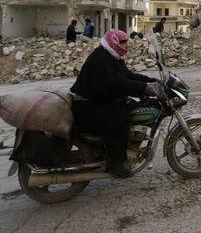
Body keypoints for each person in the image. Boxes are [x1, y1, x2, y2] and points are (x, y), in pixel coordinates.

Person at [70, 29, 167, 178]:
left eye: (127, 42)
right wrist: (146, 89)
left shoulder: (113, 57)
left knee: (130, 107)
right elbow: (119, 83)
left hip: (98, 101)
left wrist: (153, 82)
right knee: (120, 119)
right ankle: (115, 163)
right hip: (87, 107)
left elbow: (128, 76)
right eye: (123, 42)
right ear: (114, 42)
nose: (126, 45)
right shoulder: (101, 60)